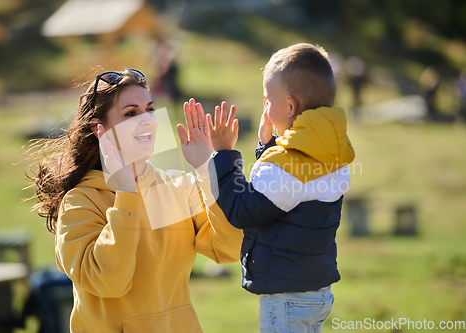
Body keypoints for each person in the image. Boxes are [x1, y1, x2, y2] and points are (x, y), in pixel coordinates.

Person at [29, 68, 242, 332]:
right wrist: (127, 196)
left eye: (149, 110)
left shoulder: (175, 186)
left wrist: (205, 171)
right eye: (130, 113)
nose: (146, 121)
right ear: (100, 130)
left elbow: (229, 249)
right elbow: (111, 282)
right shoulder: (81, 201)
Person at [204, 43, 355, 332]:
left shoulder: (287, 166)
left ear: (288, 105)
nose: (266, 108)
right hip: (315, 293)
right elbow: (284, 191)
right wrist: (269, 148)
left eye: (267, 100)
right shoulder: (331, 152)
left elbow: (243, 211)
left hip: (287, 299)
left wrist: (224, 154)